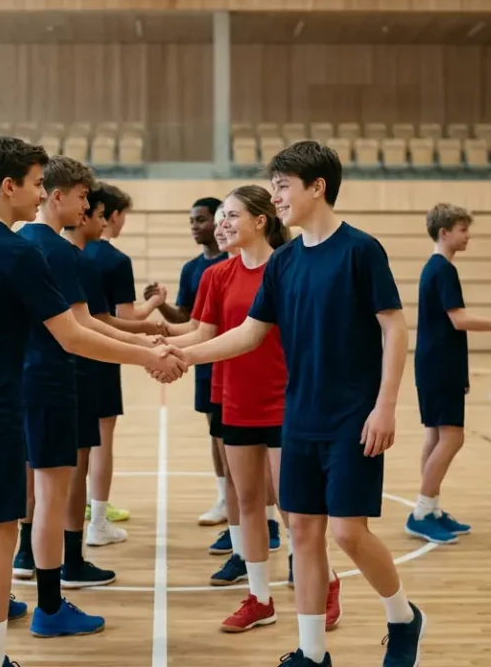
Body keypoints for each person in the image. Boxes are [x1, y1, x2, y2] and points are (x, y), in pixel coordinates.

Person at [0, 136, 184, 667]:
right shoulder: (19, 251)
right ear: (8, 185)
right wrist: (148, 357)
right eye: (37, 184)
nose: (41, 195)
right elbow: (75, 336)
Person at [171, 141, 424, 667]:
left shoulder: (360, 250)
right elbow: (248, 334)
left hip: (353, 418)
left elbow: (394, 327)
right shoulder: (283, 263)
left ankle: (402, 616)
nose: (276, 196)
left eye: (284, 186)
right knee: (303, 531)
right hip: (298, 416)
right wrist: (183, 353)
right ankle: (312, 653)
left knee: (348, 532)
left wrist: (386, 405)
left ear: (317, 187)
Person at [10, 155, 167, 637]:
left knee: (20, 494)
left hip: (17, 383)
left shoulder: (13, 244)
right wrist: (147, 350)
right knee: (53, 499)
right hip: (55, 382)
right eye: (82, 196)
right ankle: (51, 607)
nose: (87, 205)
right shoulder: (59, 252)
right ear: (57, 195)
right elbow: (83, 327)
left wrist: (142, 341)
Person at [166, 185, 300, 633]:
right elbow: (202, 335)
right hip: (236, 399)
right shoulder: (215, 276)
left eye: (231, 216)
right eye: (219, 216)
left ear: (261, 221)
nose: (222, 224)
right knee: (247, 502)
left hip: (285, 400)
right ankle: (259, 598)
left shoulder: (289, 267)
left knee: (291, 504)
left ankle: (321, 576)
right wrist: (159, 347)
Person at [407, 203, 491, 545]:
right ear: (444, 232)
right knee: (452, 436)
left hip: (434, 363)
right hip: (440, 365)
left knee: (435, 436)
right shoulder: (442, 270)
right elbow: (459, 320)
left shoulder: (435, 267)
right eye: (463, 230)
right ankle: (420, 512)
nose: (468, 236)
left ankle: (430, 508)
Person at [66, 186, 165, 556]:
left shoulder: (66, 253)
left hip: (65, 360)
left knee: (63, 453)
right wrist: (155, 309)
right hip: (99, 360)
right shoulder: (109, 260)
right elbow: (122, 319)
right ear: (111, 215)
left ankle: (61, 530)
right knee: (99, 442)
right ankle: (96, 521)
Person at [145, 197, 228, 527]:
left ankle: (256, 514)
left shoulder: (233, 263)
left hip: (231, 360)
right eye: (191, 220)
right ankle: (226, 498)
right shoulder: (192, 269)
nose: (195, 226)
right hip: (204, 362)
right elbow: (191, 319)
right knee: (215, 432)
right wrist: (161, 307)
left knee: (237, 439)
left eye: (201, 219)